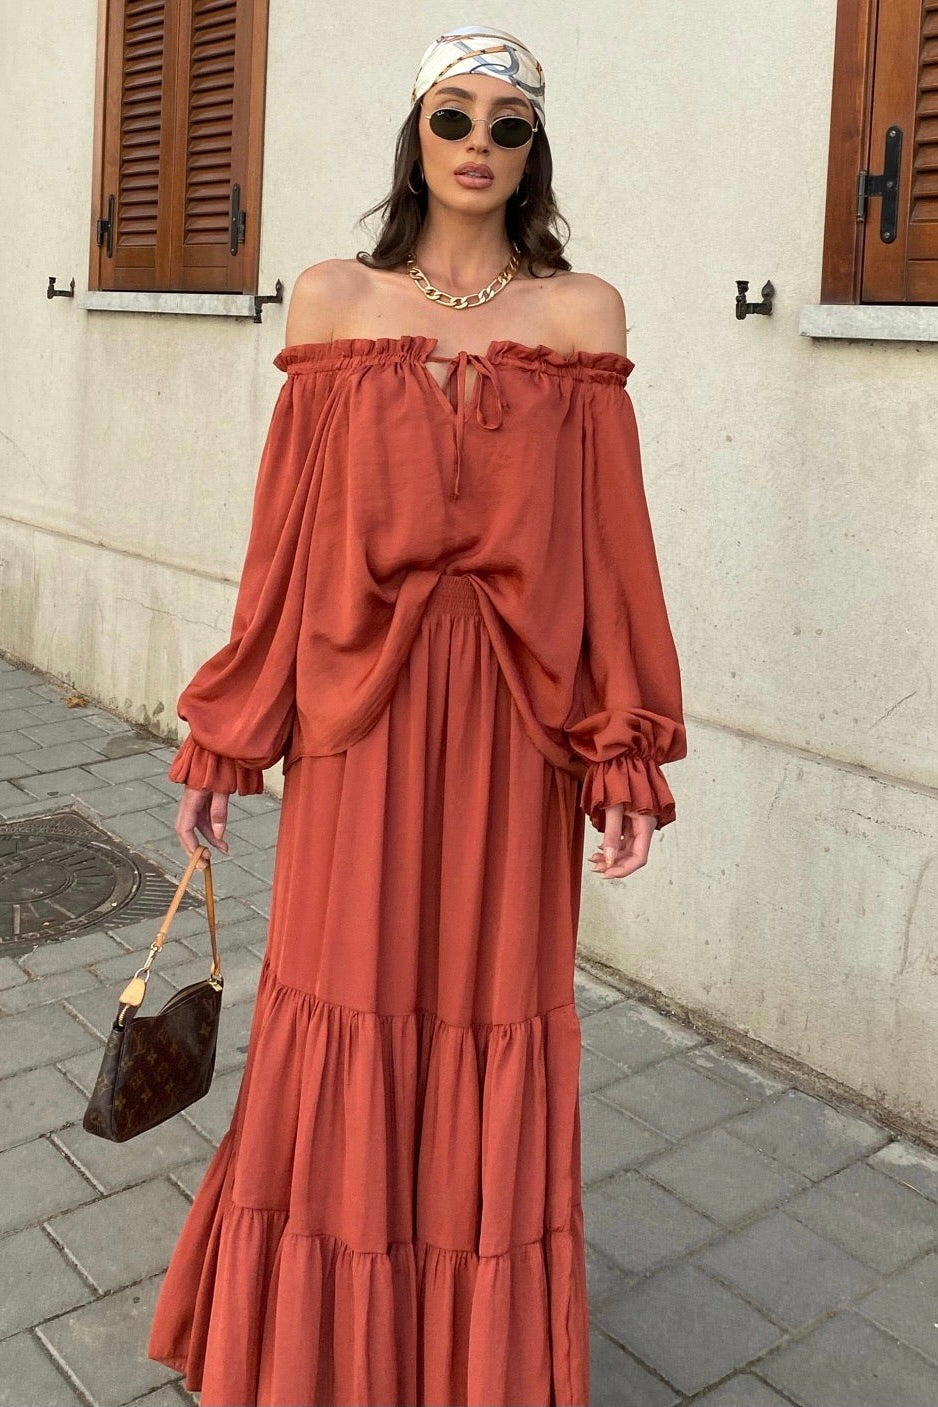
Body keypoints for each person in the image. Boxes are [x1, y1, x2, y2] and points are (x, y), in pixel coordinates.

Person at [146, 24, 686, 1407]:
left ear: (535, 151)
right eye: (455, 116)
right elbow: (286, 545)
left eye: (509, 125)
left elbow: (612, 550)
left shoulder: (582, 316)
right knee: (344, 1000)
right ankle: (320, 1351)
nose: (478, 145)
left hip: (517, 731)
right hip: (358, 720)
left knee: (492, 1007)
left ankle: (466, 1359)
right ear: (416, 132)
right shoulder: (334, 299)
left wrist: (623, 746)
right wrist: (228, 735)